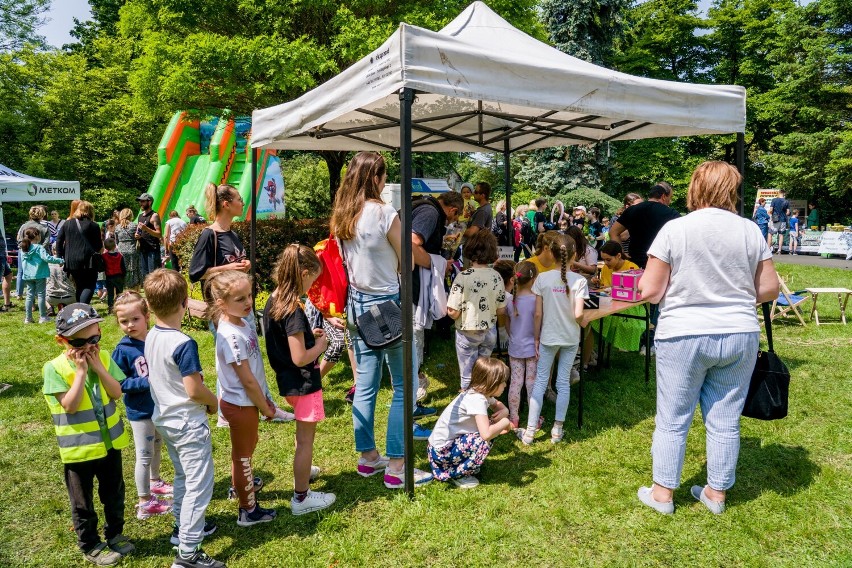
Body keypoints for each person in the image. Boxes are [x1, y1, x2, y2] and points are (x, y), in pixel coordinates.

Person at [636, 161, 780, 515]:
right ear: (732, 189)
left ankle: (662, 494)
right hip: (739, 332)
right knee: (725, 418)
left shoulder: (676, 229)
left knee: (672, 417)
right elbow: (769, 288)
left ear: (695, 188)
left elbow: (651, 290)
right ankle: (716, 494)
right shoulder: (749, 230)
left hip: (683, 332)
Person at [331, 151, 433, 489]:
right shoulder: (384, 213)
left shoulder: (343, 216)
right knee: (403, 386)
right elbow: (407, 261)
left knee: (365, 384)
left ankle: (368, 457)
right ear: (376, 178)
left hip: (356, 305)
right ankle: (397, 465)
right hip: (387, 304)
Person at [42, 303, 134, 566]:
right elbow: (69, 405)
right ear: (62, 340)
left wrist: (100, 369)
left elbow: (116, 392)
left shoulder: (103, 358)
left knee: (114, 493)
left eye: (94, 338)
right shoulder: (55, 368)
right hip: (79, 450)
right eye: (78, 342)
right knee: (83, 502)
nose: (88, 347)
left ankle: (115, 533)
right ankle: (90, 543)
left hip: (109, 445)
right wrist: (81, 372)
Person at [143, 269, 223, 568]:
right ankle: (188, 552)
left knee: (182, 476)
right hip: (187, 423)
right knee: (199, 485)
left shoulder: (151, 335)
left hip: (164, 418)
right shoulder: (182, 342)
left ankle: (181, 528)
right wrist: (214, 402)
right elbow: (193, 389)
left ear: (149, 306)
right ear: (185, 302)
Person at [263, 245, 337, 514]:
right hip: (303, 381)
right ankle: (302, 497)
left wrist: (308, 334)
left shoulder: (274, 299)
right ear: (303, 273)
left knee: (301, 438)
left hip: (288, 382)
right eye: (312, 281)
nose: (312, 287)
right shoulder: (293, 308)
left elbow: (287, 341)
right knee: (306, 440)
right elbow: (300, 357)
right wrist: (320, 345)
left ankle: (303, 472)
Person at [208, 270, 279, 526]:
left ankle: (241, 488)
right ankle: (248, 510)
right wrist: (266, 408)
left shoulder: (242, 322)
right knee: (243, 457)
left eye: (249, 295)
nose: (248, 302)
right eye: (240, 299)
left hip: (248, 402)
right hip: (241, 403)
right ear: (221, 303)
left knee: (244, 451)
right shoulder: (231, 335)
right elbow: (247, 380)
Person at [518, 233, 587, 446]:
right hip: (570, 336)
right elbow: (578, 315)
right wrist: (584, 322)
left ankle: (530, 432)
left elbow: (538, 314)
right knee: (563, 382)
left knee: (540, 381)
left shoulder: (542, 278)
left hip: (548, 336)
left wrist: (537, 338)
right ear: (574, 254)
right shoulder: (580, 280)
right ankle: (557, 430)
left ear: (552, 252)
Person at [111, 292, 174, 521]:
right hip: (140, 412)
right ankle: (144, 501)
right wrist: (147, 382)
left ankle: (155, 482)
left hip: (158, 406)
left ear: (147, 316)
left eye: (135, 319)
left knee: (157, 446)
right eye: (123, 321)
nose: (130, 325)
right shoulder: (123, 350)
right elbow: (119, 383)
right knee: (144, 455)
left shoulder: (155, 339)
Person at [426, 357, 513, 488]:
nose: (505, 385)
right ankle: (459, 474)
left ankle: (463, 465)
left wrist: (505, 411)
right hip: (442, 454)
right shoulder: (477, 400)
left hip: (439, 450)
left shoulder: (479, 393)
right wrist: (505, 421)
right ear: (492, 382)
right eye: (503, 382)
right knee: (484, 437)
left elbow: (498, 406)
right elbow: (486, 434)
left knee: (488, 426)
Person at [411, 190, 463, 406]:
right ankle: (414, 386)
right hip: (411, 285)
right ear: (452, 210)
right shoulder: (431, 213)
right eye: (455, 217)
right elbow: (412, 243)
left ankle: (415, 379)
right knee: (414, 334)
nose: (452, 222)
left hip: (408, 282)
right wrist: (439, 264)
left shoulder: (422, 207)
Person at [447, 231, 507, 390]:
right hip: (489, 331)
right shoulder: (497, 277)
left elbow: (452, 312)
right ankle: (482, 402)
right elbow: (501, 310)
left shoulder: (463, 277)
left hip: (467, 332)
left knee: (467, 374)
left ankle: (468, 407)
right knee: (482, 373)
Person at [586, 241, 645, 356]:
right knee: (592, 318)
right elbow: (605, 288)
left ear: (618, 256)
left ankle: (595, 351)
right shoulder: (605, 269)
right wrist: (598, 285)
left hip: (627, 306)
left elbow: (636, 291)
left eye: (608, 259)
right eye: (603, 260)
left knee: (602, 319)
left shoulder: (632, 267)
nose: (605, 263)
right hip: (609, 303)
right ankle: (592, 351)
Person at [609, 183, 679, 269]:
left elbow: (613, 232)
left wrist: (621, 254)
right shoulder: (671, 214)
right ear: (664, 196)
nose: (670, 201)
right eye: (670, 198)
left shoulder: (632, 210)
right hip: (660, 263)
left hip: (635, 263)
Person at [505, 260, 538, 429]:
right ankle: (534, 419)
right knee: (531, 383)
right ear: (533, 279)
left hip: (515, 347)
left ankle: (514, 417)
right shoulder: (536, 301)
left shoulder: (511, 301)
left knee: (515, 383)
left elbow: (508, 324)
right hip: (533, 348)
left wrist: (514, 337)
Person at [56, 201, 103, 304]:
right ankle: (82, 308)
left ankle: (79, 308)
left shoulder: (67, 223)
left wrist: (60, 257)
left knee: (79, 285)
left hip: (70, 260)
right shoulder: (93, 225)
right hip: (88, 261)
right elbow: (98, 245)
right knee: (89, 285)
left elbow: (59, 240)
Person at [19, 227, 64, 324]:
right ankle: (43, 317)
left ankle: (28, 318)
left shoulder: (23, 248)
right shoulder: (39, 247)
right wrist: (60, 260)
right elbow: (47, 258)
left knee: (29, 296)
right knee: (41, 295)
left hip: (27, 275)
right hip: (39, 274)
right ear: (37, 236)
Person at [17, 205, 50, 299]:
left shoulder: (24, 226)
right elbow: (46, 242)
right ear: (42, 215)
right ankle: (38, 295)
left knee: (21, 272)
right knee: (38, 274)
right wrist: (38, 250)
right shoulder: (45, 228)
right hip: (39, 254)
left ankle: (20, 294)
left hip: (24, 252)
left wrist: (25, 249)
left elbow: (19, 240)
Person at [135, 192, 162, 281]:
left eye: (142, 201)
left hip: (152, 249)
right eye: (140, 201)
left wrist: (146, 229)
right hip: (143, 249)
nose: (140, 203)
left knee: (154, 275)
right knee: (145, 275)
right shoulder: (140, 216)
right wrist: (137, 235)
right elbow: (140, 230)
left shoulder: (154, 216)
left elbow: (159, 234)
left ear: (149, 202)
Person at [115, 209, 141, 289]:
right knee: (133, 269)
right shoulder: (134, 226)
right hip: (132, 250)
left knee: (122, 270)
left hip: (121, 251)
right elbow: (139, 238)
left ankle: (123, 286)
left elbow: (116, 241)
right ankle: (133, 287)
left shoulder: (117, 227)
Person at [47, 245, 76, 312]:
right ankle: (64, 305)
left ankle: (49, 308)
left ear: (53, 251)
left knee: (41, 291)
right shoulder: (69, 261)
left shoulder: (47, 263)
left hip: (51, 297)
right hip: (69, 297)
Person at [102, 238, 126, 314]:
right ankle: (120, 307)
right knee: (119, 293)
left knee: (110, 294)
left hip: (109, 277)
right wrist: (123, 276)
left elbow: (103, 267)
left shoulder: (104, 256)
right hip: (119, 276)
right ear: (115, 246)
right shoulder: (120, 256)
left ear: (105, 247)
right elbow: (123, 268)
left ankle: (111, 308)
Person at [767, 189, 790, 254]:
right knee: (781, 235)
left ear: (779, 193)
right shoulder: (786, 201)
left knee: (770, 233)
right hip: (783, 220)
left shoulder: (774, 200)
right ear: (784, 194)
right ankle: (779, 250)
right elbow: (788, 213)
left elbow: (771, 210)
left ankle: (768, 249)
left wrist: (769, 212)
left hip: (775, 220)